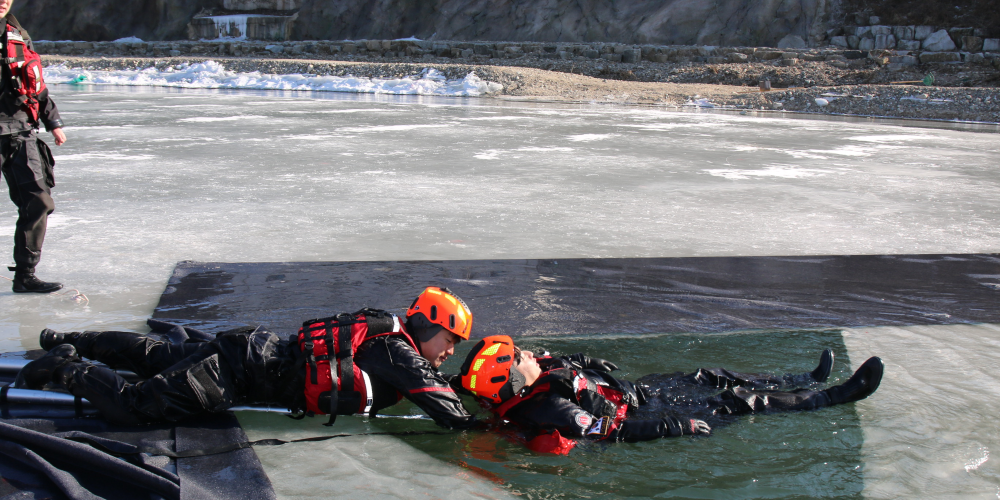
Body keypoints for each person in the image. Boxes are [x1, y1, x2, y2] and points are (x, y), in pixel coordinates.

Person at [15, 286, 480, 428]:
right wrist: (490, 425)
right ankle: (66, 366)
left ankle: (71, 339)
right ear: (426, 326)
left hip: (252, 349)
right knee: (137, 407)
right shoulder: (397, 351)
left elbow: (434, 387)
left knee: (158, 355)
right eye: (449, 339)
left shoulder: (386, 335)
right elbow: (447, 411)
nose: (450, 351)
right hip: (239, 371)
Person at [458, 335, 883, 455]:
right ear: (513, 380)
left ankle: (802, 377)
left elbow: (555, 364)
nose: (527, 353)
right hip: (644, 415)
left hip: (638, 393)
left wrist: (583, 360)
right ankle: (834, 396)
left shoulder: (534, 376)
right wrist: (673, 426)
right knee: (738, 401)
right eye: (518, 357)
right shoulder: (551, 408)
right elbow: (612, 432)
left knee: (710, 376)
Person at [0, 1, 66, 293]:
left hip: (20, 130)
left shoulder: (17, 33)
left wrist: (53, 121)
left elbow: (35, 82)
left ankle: (25, 276)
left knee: (39, 202)